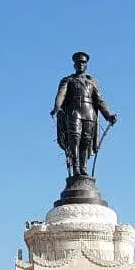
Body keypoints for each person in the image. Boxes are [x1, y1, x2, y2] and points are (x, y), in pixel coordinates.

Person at [51, 51, 117, 179]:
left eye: (83, 62)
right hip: (74, 112)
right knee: (74, 139)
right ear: (74, 64)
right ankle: (75, 168)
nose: (81, 64)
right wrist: (57, 107)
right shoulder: (68, 80)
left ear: (86, 64)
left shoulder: (91, 82)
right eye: (78, 62)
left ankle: (83, 168)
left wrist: (108, 115)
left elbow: (99, 100)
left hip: (89, 113)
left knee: (86, 141)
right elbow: (61, 94)